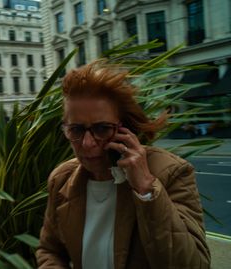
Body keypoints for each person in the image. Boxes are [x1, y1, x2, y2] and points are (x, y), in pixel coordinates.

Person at [36, 62, 210, 269]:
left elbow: (193, 265)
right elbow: (49, 250)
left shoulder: (172, 172)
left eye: (102, 128)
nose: (87, 143)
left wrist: (146, 190)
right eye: (76, 130)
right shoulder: (61, 179)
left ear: (125, 128)